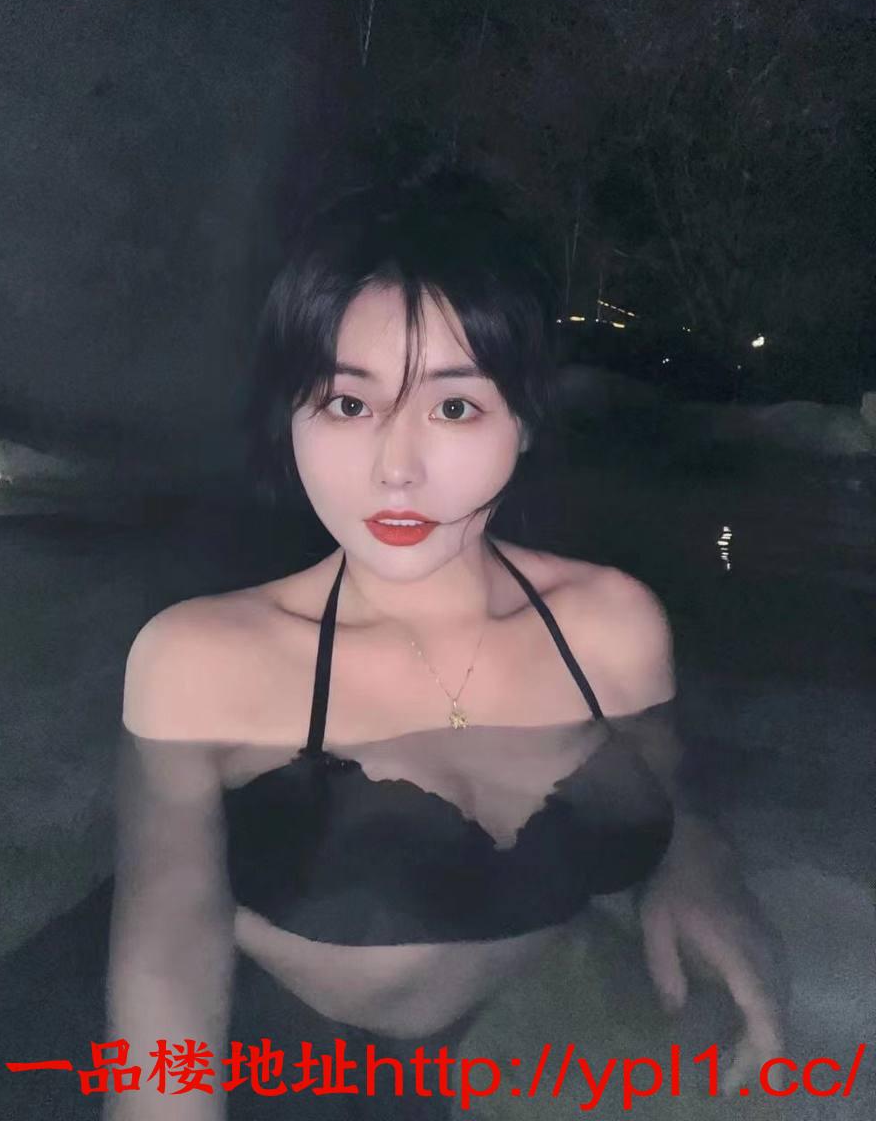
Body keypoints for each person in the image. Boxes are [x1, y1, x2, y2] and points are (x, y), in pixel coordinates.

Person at [103, 169, 785, 1119]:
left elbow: (662, 778)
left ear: (525, 421)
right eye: (349, 404)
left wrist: (691, 864)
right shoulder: (199, 659)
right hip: (266, 1045)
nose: (397, 468)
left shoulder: (613, 626)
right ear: (291, 416)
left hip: (498, 1043)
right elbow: (171, 946)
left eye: (454, 407)